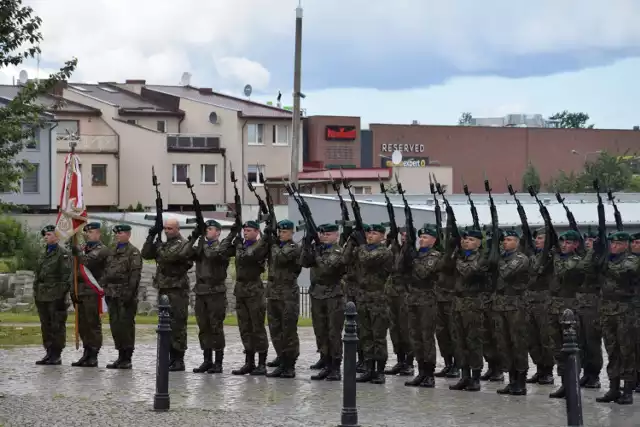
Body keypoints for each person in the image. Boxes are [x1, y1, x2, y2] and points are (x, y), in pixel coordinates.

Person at [141, 218, 193, 372]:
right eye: (165, 228)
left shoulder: (182, 244)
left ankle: (179, 359)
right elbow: (146, 254)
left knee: (178, 325)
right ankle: (170, 357)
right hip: (164, 289)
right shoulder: (164, 244)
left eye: (170, 228)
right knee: (166, 325)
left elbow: (168, 257)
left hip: (177, 290)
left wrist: (158, 246)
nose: (167, 231)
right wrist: (151, 236)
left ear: (177, 229)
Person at [449, 229, 497, 392]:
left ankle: (475, 377)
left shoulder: (482, 257)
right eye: (464, 239)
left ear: (478, 242)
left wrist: (459, 258)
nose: (465, 242)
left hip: (473, 304)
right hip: (458, 302)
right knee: (459, 341)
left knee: (473, 341)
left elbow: (468, 272)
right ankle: (464, 375)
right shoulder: (459, 255)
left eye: (470, 239)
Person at [187, 219, 237, 374]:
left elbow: (211, 256)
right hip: (201, 291)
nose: (208, 231)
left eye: (210, 229)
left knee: (216, 327)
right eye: (206, 229)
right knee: (203, 327)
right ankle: (207, 360)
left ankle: (218, 362)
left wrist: (202, 241)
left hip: (215, 291)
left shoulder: (221, 247)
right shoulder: (200, 246)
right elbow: (186, 252)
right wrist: (195, 236)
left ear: (218, 232)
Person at [346, 223, 393, 384]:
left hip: (378, 299)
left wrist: (360, 246)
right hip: (363, 297)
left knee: (378, 336)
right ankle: (368, 367)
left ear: (382, 236)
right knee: (365, 335)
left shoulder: (384, 252)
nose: (370, 236)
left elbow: (367, 260)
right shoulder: (362, 249)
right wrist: (351, 241)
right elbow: (346, 259)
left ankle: (379, 370)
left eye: (374, 233)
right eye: (368, 233)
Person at [300, 223, 347, 381]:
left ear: (336, 236)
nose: (324, 236)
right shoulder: (318, 250)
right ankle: (325, 362)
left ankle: (335, 367)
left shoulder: (338, 252)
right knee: (320, 331)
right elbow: (305, 262)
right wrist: (307, 245)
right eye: (322, 234)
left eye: (328, 234)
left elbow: (326, 269)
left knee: (333, 333)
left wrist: (317, 251)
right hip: (317, 294)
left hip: (333, 295)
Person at [596, 231, 637, 405]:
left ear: (627, 244)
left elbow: (623, 272)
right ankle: (613, 388)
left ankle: (627, 390)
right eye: (612, 243)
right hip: (607, 310)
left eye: (618, 243)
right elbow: (589, 268)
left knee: (627, 351)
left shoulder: (633, 260)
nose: (614, 246)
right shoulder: (608, 260)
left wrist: (604, 260)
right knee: (612, 350)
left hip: (625, 312)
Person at [548, 230, 588, 399]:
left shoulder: (577, 262)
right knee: (557, 349)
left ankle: (572, 383)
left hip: (569, 309)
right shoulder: (556, 258)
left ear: (576, 245)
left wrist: (556, 255)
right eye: (563, 242)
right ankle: (565, 383)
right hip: (554, 307)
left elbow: (563, 271)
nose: (564, 245)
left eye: (569, 242)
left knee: (571, 348)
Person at [403, 225, 443, 387]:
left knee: (426, 338)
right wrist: (406, 253)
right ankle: (421, 371)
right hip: (412, 300)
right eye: (421, 237)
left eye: (425, 237)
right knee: (415, 337)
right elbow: (400, 272)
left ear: (433, 240)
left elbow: (422, 273)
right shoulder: (416, 255)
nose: (422, 239)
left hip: (428, 301)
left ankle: (429, 374)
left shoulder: (435, 256)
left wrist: (413, 259)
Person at [232, 220, 271, 376]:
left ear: (256, 232)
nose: (246, 232)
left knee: (257, 328)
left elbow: (249, 257)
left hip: (254, 290)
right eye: (244, 230)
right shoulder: (241, 244)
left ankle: (261, 363)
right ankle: (249, 362)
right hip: (241, 290)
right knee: (245, 328)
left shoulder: (259, 246)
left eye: (249, 230)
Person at [494, 229, 530, 396]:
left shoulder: (520, 259)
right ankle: (512, 380)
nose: (505, 242)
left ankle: (521, 382)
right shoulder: (503, 257)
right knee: (504, 344)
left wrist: (498, 258)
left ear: (517, 242)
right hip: (501, 305)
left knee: (518, 344)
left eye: (509, 240)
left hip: (516, 306)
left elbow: (505, 273)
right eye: (504, 240)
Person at [265, 219, 302, 378]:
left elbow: (280, 257)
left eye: (285, 232)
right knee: (275, 329)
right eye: (279, 231)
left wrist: (273, 243)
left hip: (287, 294)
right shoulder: (276, 246)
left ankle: (289, 364)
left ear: (292, 232)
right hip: (273, 293)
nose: (281, 234)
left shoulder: (294, 248)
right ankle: (281, 357)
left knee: (288, 330)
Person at [102, 224, 142, 369]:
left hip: (126, 295)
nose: (117, 235)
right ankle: (120, 355)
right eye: (116, 234)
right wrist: (105, 288)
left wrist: (129, 294)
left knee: (126, 326)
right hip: (112, 294)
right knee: (115, 326)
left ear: (128, 235)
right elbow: (106, 272)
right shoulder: (112, 251)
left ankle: (127, 357)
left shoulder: (134, 253)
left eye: (121, 233)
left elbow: (134, 276)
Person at [70, 222, 107, 367]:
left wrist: (77, 251)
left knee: (92, 324)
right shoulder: (83, 249)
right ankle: (86, 352)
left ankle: (93, 354)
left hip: (92, 292)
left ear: (98, 234)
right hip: (80, 292)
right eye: (86, 232)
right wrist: (73, 290)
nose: (88, 235)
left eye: (91, 232)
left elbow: (87, 262)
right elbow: (74, 271)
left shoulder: (102, 250)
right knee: (82, 325)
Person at [34, 225, 72, 366]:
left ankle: (56, 354)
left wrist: (60, 295)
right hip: (42, 296)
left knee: (57, 325)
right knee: (46, 325)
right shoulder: (44, 253)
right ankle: (48, 352)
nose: (46, 237)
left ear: (57, 237)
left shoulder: (63, 254)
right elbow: (38, 275)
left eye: (49, 234)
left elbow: (67, 277)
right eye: (45, 235)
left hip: (55, 296)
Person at [525, 227, 555, 385]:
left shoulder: (551, 257)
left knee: (545, 338)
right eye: (536, 238)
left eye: (541, 238)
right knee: (532, 338)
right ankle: (539, 368)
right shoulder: (531, 255)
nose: (537, 240)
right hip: (529, 301)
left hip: (544, 302)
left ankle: (548, 371)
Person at [576, 228, 603, 388]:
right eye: (586, 240)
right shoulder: (582, 256)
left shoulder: (598, 258)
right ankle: (586, 373)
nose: (588, 243)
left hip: (593, 305)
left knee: (592, 342)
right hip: (579, 304)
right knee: (580, 342)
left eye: (591, 240)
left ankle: (594, 375)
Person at [385, 228, 414, 377]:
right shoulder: (396, 250)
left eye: (406, 235)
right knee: (394, 329)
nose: (404, 237)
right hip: (392, 294)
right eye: (402, 235)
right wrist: (389, 240)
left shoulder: (411, 252)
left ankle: (409, 362)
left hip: (405, 294)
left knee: (406, 329)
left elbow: (406, 265)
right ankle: (400, 360)